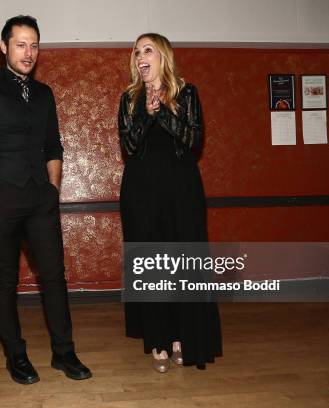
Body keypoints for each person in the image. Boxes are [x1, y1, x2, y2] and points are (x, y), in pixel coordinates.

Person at [0, 15, 91, 384]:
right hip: (2, 201)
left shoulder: (45, 94)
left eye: (34, 45)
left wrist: (53, 189)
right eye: (20, 44)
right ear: (4, 48)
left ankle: (64, 353)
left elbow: (54, 147)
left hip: (41, 201)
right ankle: (16, 356)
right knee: (4, 281)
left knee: (55, 278)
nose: (28, 52)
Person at [118, 33, 222, 372]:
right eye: (136, 52)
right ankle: (158, 340)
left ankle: (180, 336)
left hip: (181, 190)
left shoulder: (186, 93)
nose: (139, 57)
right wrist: (147, 115)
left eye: (147, 50)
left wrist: (161, 111)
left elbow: (194, 139)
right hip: (142, 192)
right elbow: (129, 146)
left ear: (162, 56)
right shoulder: (129, 99)